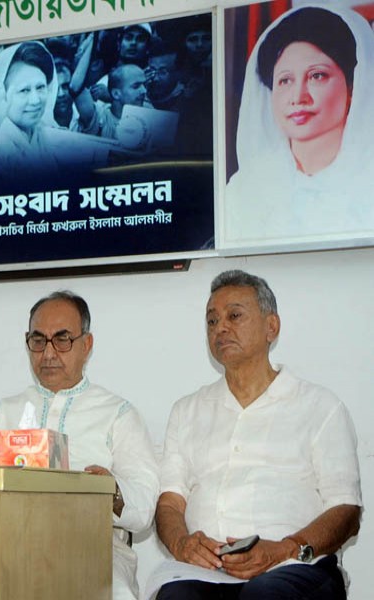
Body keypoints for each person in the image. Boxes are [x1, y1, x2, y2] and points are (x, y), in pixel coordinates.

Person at [153, 270, 362, 599]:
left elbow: (346, 509)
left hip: (294, 566)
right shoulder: (187, 410)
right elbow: (170, 502)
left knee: (263, 595)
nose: (221, 328)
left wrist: (284, 549)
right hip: (207, 572)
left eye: (234, 316)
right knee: (175, 596)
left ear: (271, 327)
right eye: (212, 321)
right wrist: (182, 544)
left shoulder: (320, 406)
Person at [0, 292, 158, 600]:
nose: (48, 353)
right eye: (38, 340)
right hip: (11, 543)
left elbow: (143, 508)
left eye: (62, 340)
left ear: (86, 345)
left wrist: (112, 490)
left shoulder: (117, 414)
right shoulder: (2, 414)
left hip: (94, 545)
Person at [225, 5, 374, 242]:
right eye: (285, 80)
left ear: (353, 86)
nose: (298, 97)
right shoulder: (245, 187)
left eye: (317, 76)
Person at [0, 41, 65, 185]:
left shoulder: (48, 134)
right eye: (24, 90)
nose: (35, 101)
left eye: (40, 87)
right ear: (2, 94)